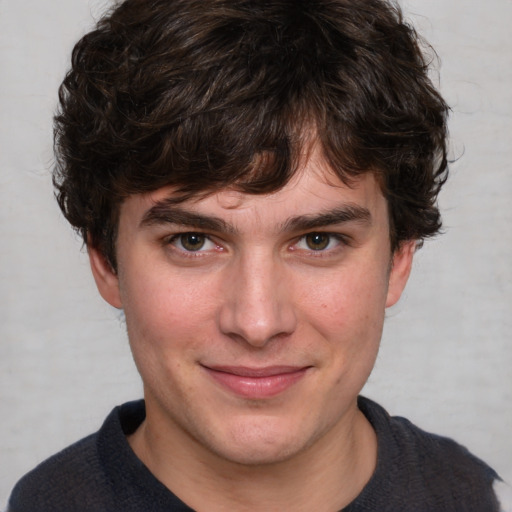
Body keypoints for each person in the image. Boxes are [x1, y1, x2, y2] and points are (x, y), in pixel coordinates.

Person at [6, 0, 509, 510]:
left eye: (318, 241)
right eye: (193, 241)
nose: (257, 322)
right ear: (105, 260)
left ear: (399, 258)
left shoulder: (475, 497)